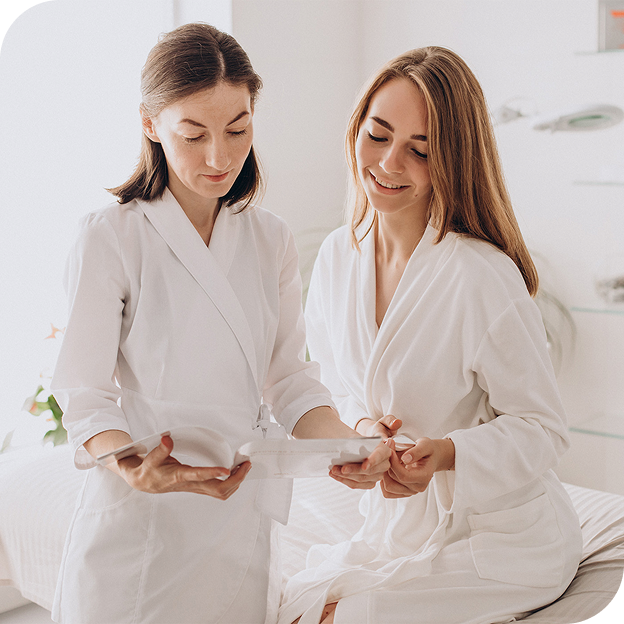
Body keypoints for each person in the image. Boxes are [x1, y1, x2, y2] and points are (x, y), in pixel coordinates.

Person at [50, 22, 391, 624]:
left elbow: (290, 383)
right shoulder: (111, 236)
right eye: (193, 135)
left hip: (237, 520)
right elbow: (85, 394)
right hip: (140, 529)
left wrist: (351, 446)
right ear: (150, 125)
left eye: (238, 129)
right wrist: (131, 466)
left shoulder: (270, 239)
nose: (220, 157)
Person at [278, 47, 583, 624]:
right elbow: (337, 386)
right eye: (378, 135)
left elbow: (543, 430)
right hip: (396, 529)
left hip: (503, 539)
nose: (389, 162)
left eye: (419, 151)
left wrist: (445, 454)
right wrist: (361, 432)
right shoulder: (338, 258)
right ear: (356, 129)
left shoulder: (481, 275)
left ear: (451, 161)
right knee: (293, 609)